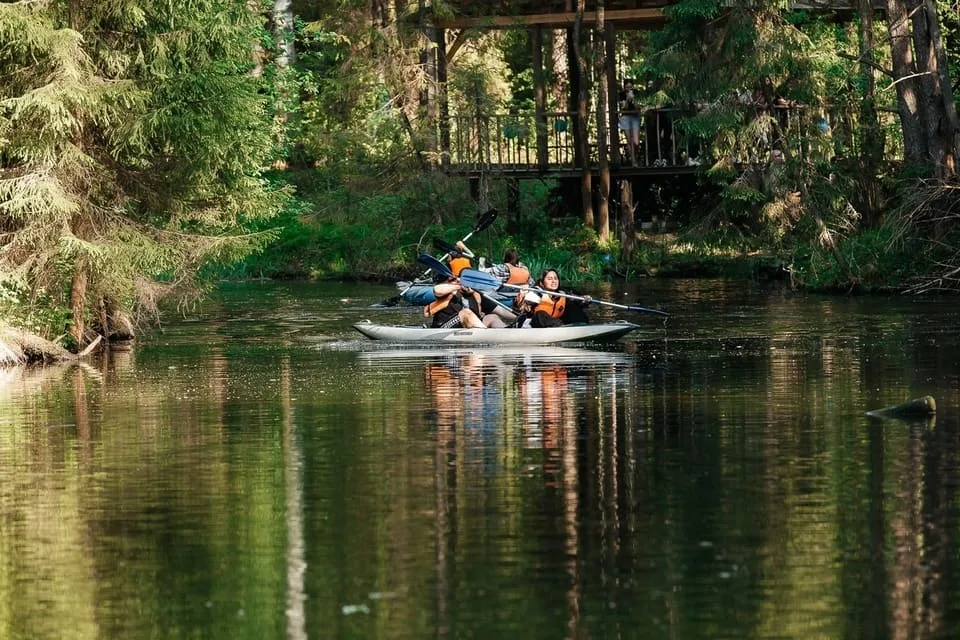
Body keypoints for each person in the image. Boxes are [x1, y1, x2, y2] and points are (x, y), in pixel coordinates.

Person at [423, 274, 504, 328]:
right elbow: (437, 290)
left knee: (491, 317)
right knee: (466, 313)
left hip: (469, 329)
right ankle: (485, 337)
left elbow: (502, 312)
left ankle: (505, 333)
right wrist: (459, 286)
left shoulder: (476, 295)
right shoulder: (448, 293)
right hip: (443, 328)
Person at [618, 79, 642, 165]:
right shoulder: (621, 94)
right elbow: (624, 108)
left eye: (630, 87)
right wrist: (628, 99)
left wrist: (633, 100)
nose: (629, 89)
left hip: (635, 117)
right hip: (625, 118)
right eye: (627, 87)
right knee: (629, 140)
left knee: (636, 142)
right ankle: (633, 161)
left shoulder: (637, 93)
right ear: (624, 87)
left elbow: (638, 107)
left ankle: (635, 155)